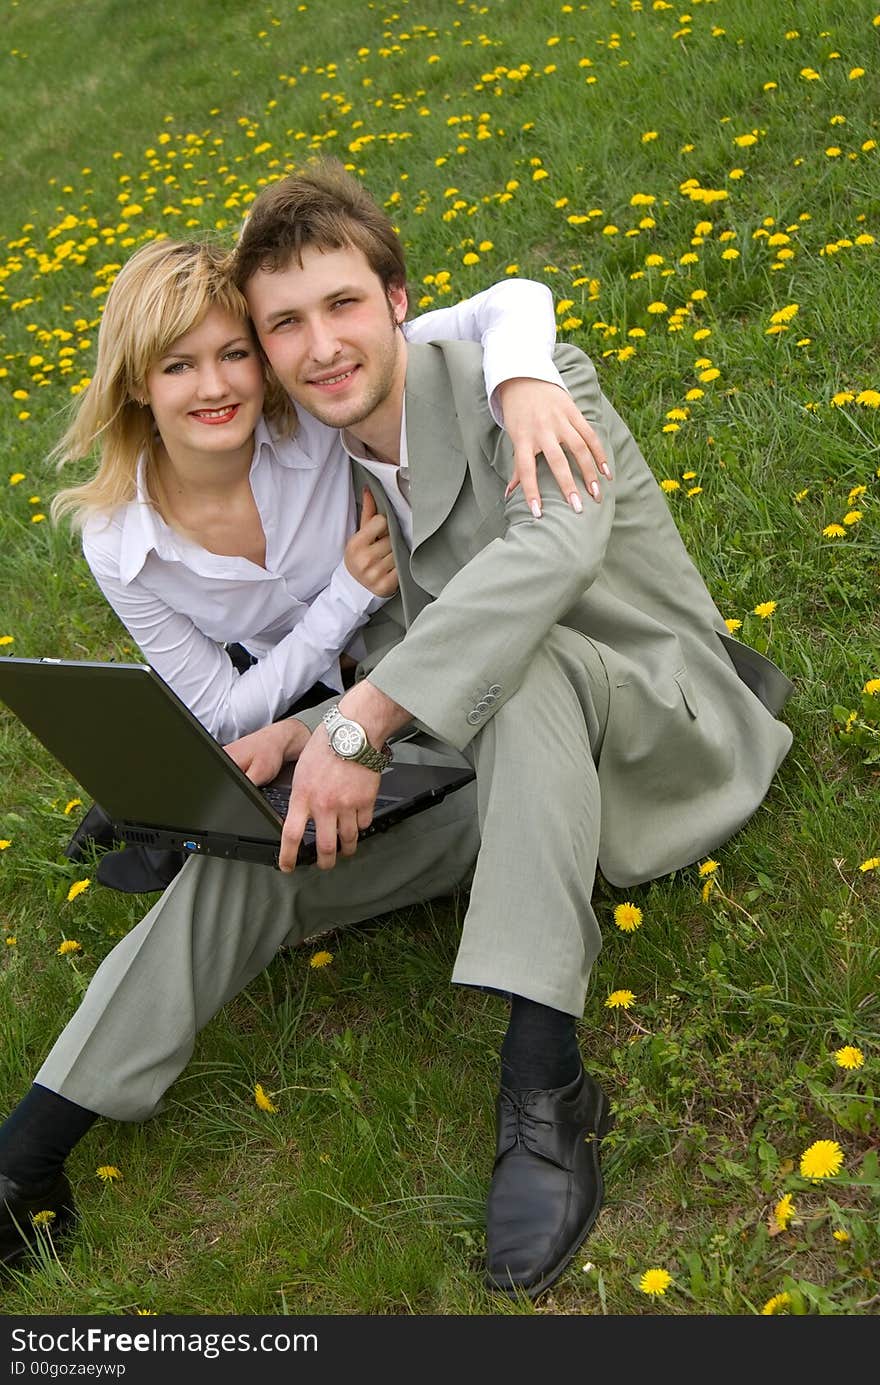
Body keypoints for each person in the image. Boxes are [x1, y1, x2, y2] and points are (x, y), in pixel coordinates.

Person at [0, 162, 793, 1299]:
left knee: (522, 672)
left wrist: (357, 719)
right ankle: (28, 1153)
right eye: (285, 324)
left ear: (399, 300)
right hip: (513, 785)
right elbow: (421, 649)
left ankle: (545, 1084)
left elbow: (547, 560)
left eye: (341, 307)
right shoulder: (350, 470)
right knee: (262, 842)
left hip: (662, 736)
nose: (319, 346)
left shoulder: (528, 382)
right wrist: (303, 733)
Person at [49, 238, 610, 890]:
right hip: (285, 685)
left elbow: (514, 301)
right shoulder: (118, 541)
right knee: (228, 813)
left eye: (235, 354)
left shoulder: (322, 409)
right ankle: (140, 802)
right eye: (178, 366)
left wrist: (522, 380)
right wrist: (345, 594)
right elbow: (228, 711)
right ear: (136, 382)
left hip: (401, 657)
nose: (214, 386)